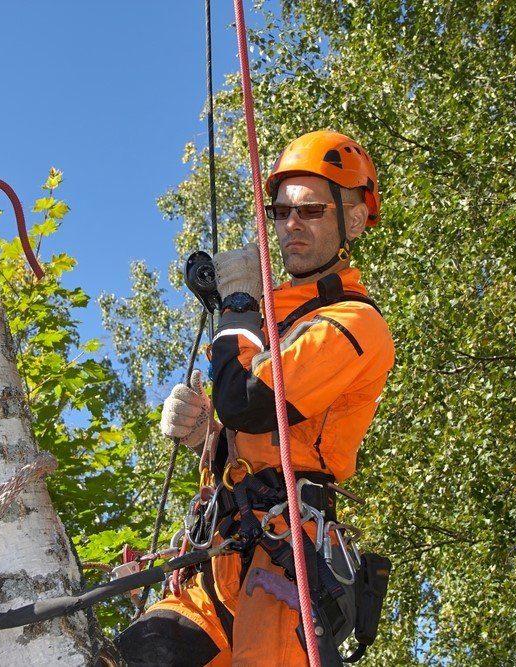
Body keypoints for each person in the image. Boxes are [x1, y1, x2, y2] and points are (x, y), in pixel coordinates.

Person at [117, 130, 396, 666]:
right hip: (219, 563)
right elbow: (250, 427)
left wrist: (238, 303)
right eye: (282, 211)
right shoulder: (275, 320)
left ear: (355, 220)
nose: (292, 224)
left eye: (311, 209)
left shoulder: (353, 324)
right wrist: (207, 435)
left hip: (283, 569)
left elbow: (247, 399)